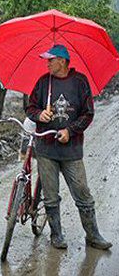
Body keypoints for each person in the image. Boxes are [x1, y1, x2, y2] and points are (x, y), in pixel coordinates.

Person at [25, 44, 112, 250]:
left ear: (62, 61)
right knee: (51, 195)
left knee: (82, 192)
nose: (47, 63)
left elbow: (88, 114)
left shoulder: (80, 82)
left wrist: (70, 131)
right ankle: (57, 235)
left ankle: (93, 235)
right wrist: (39, 115)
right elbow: (30, 107)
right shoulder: (43, 82)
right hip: (46, 149)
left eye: (51, 59)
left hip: (71, 150)